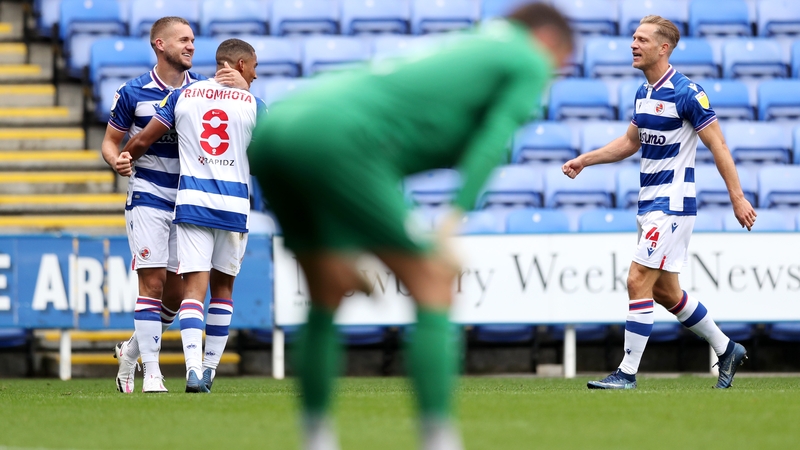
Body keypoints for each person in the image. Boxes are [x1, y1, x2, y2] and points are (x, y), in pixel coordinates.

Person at [248, 3, 572, 449]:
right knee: (433, 279)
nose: (553, 76)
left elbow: (384, 157)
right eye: (561, 65)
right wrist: (452, 220)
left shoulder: (469, 46)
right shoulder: (528, 56)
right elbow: (493, 141)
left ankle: (316, 437)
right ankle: (438, 439)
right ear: (549, 41)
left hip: (279, 129)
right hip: (340, 139)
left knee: (326, 290)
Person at [562, 15, 757, 390]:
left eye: (642, 40)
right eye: (633, 38)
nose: (633, 45)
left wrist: (737, 198)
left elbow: (719, 145)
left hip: (672, 205)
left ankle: (626, 373)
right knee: (667, 293)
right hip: (649, 203)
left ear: (663, 48)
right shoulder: (644, 92)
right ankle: (727, 348)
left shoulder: (687, 93)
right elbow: (629, 142)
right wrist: (585, 160)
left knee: (636, 280)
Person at [102, 16, 247, 394]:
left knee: (177, 295)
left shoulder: (201, 89)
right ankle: (152, 373)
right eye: (183, 40)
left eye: (193, 40)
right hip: (148, 193)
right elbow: (111, 142)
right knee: (151, 282)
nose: (191, 46)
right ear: (160, 45)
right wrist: (116, 161)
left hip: (188, 199)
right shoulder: (132, 92)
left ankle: (131, 352)